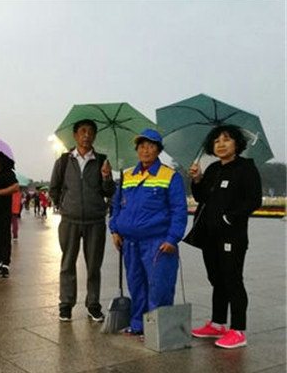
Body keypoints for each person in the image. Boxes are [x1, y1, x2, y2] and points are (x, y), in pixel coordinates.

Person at [188, 125, 262, 349]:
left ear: (236, 144)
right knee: (216, 280)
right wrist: (198, 179)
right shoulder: (212, 170)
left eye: (226, 139)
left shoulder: (246, 168)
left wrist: (229, 218)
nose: (220, 144)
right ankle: (218, 323)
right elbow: (201, 197)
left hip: (232, 236)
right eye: (217, 140)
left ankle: (238, 330)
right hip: (210, 236)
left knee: (232, 280)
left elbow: (253, 200)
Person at [109, 129, 187, 336]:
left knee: (159, 286)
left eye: (151, 146)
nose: (146, 150)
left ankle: (156, 331)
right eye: (142, 146)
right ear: (137, 150)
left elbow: (179, 210)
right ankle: (138, 325)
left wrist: (172, 238)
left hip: (158, 243)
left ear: (159, 150)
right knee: (136, 285)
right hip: (130, 243)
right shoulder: (127, 176)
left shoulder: (170, 176)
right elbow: (116, 206)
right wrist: (114, 230)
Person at [50, 119, 116, 322]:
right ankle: (66, 304)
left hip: (95, 221)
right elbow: (54, 188)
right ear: (75, 135)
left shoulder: (102, 160)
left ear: (94, 136)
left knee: (94, 265)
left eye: (90, 132)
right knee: (67, 263)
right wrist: (64, 205)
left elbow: (109, 191)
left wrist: (106, 178)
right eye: (82, 131)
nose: (86, 135)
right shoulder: (63, 160)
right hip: (70, 220)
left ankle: (93, 304)